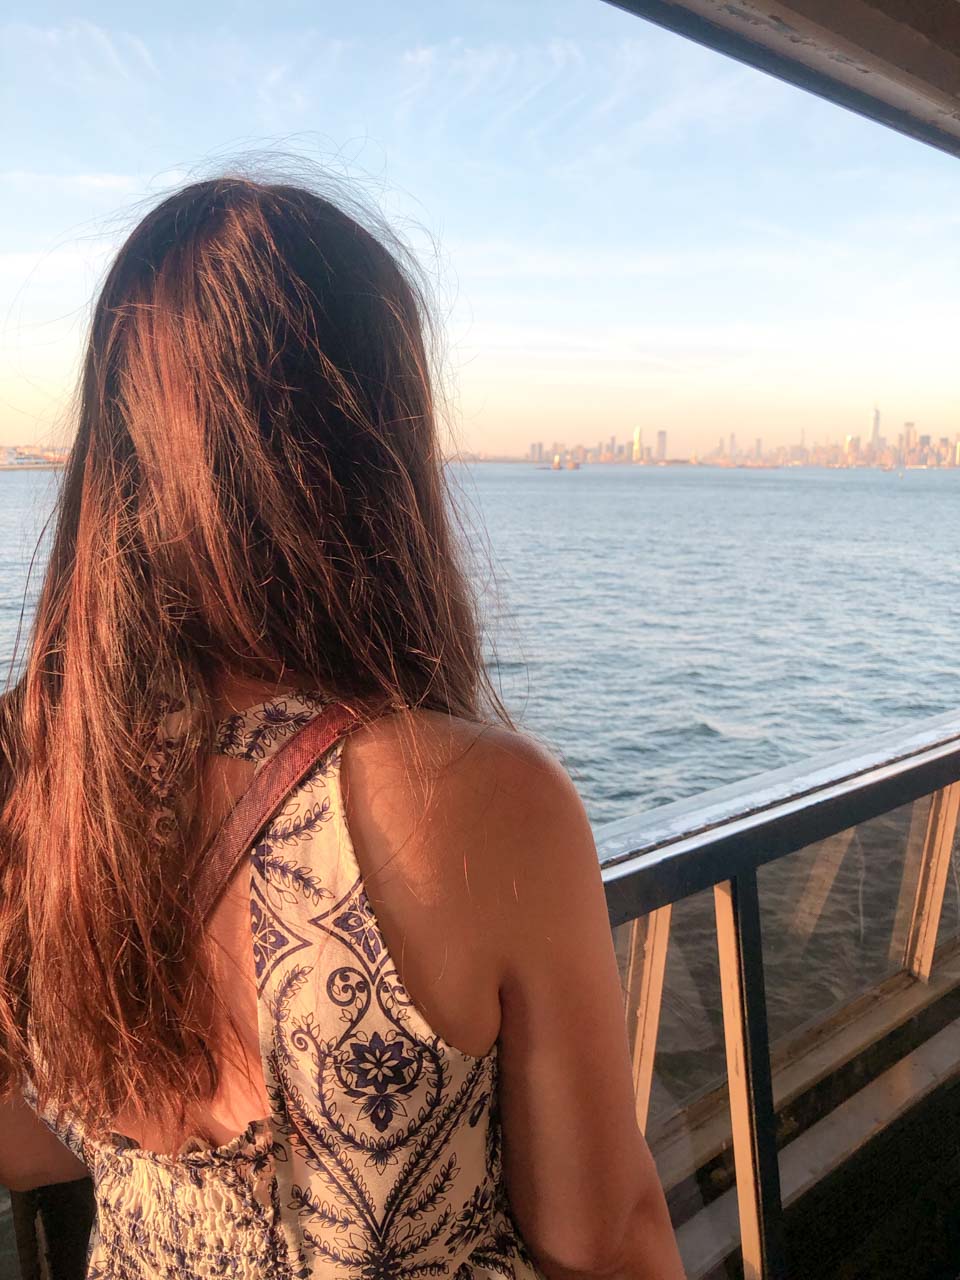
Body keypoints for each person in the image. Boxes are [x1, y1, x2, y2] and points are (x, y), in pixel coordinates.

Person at [0, 175, 685, 1280]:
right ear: (378, 446)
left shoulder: (41, 764)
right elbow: (602, 1233)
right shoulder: (476, 799)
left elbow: (29, 1141)